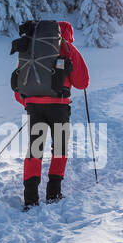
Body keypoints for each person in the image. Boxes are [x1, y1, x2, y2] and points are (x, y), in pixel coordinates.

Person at [13, 19, 89, 209]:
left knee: (34, 150)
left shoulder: (30, 47)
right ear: (68, 33)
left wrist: (28, 102)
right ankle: (53, 193)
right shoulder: (67, 47)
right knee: (60, 148)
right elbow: (82, 82)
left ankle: (30, 198)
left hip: (33, 106)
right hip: (59, 106)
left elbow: (21, 82)